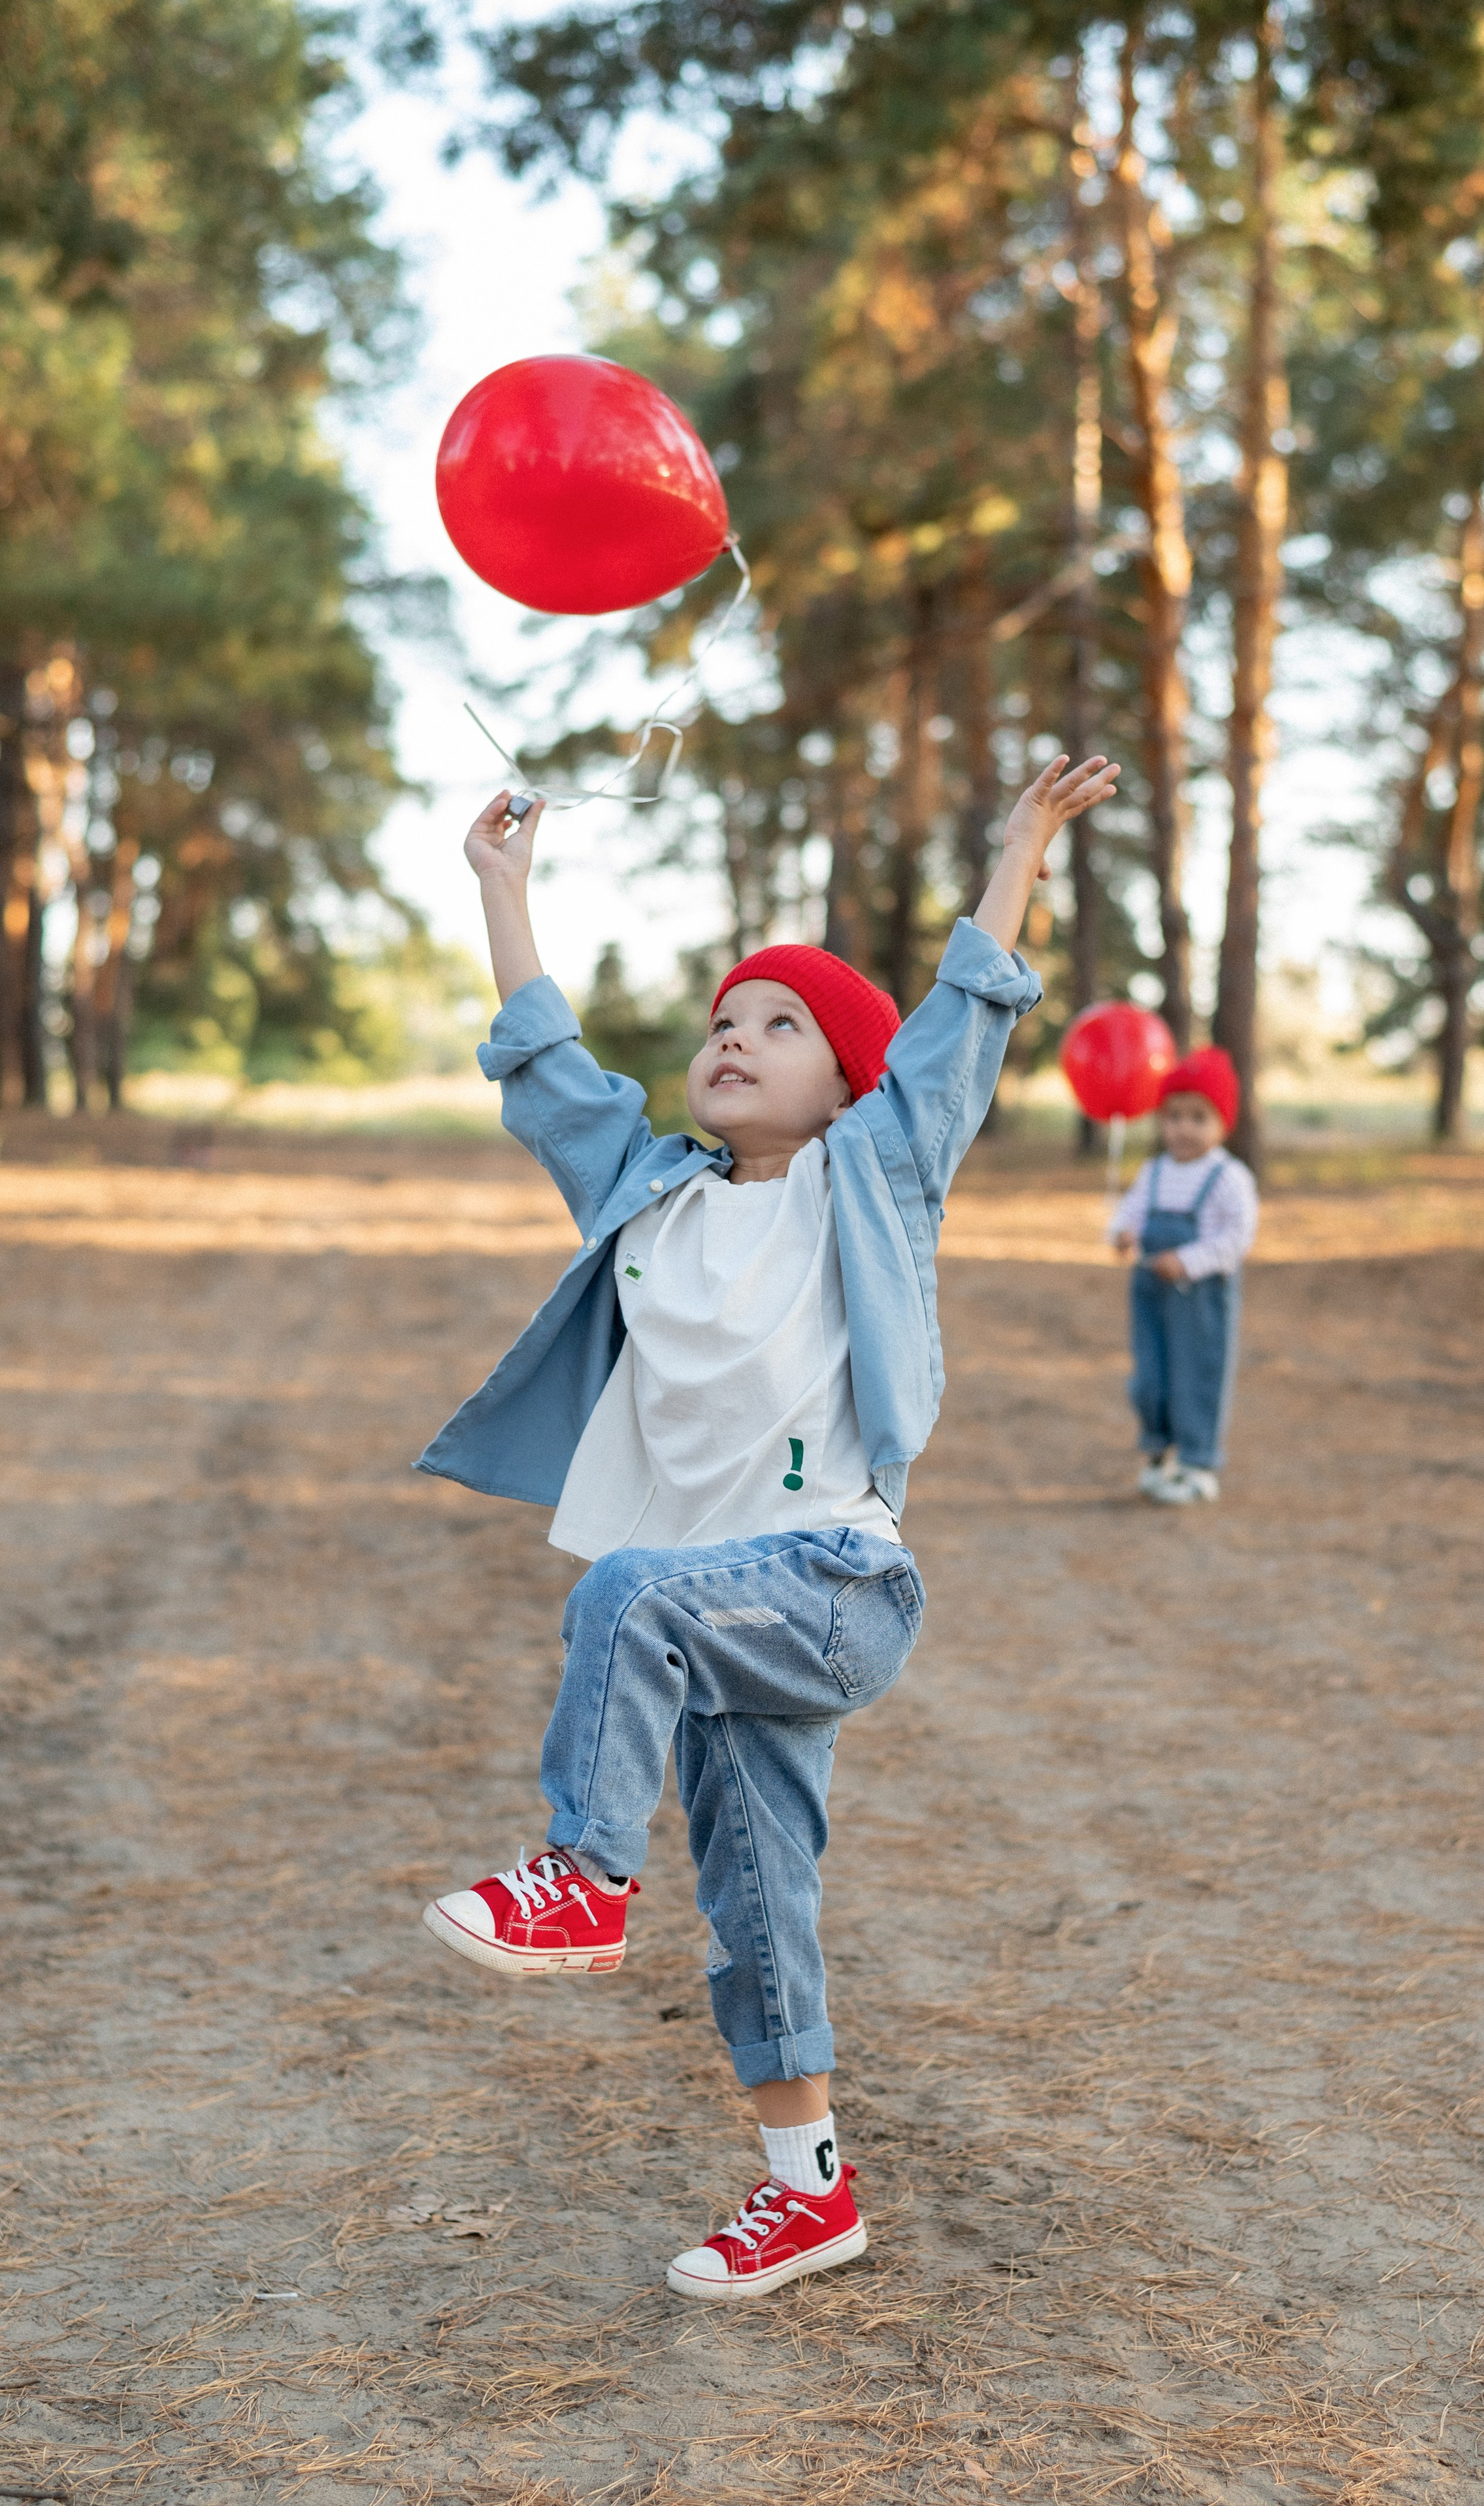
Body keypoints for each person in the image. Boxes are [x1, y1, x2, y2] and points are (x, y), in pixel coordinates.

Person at [414, 749, 1119, 2302]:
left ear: (847, 1081)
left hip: (833, 1582)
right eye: (723, 1019)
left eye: (779, 1022)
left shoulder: (871, 1177)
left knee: (625, 1594)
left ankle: (580, 1875)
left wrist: (1016, 848)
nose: (736, 1036)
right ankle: (807, 2189)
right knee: (755, 1901)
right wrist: (502, 889)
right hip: (728, 1612)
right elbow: (548, 1070)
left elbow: (961, 1027)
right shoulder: (647, 1191)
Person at [1107, 1046, 1258, 1506]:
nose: (1184, 1128)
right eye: (1173, 1116)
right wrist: (1122, 1233)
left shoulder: (1228, 1177)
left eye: (1198, 1117)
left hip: (1200, 1296)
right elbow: (1127, 1211)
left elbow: (1237, 1237)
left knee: (1197, 1373)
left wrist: (1188, 1259)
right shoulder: (1155, 1171)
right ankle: (1159, 1454)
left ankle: (1197, 1461)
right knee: (1152, 1375)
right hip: (1151, 1290)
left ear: (1223, 1122)